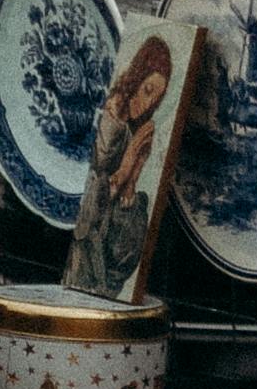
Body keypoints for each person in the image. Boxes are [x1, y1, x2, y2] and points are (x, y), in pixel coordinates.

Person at [65, 33, 176, 298]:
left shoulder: (140, 127)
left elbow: (124, 197)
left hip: (107, 252)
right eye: (148, 90)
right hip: (87, 249)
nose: (149, 102)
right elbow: (93, 204)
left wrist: (134, 176)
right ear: (137, 78)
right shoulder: (113, 114)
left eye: (157, 98)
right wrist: (126, 167)